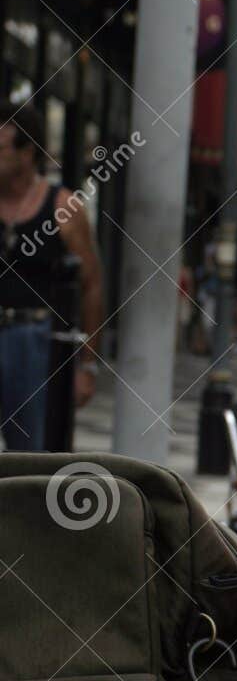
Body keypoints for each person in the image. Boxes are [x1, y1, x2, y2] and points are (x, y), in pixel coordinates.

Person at [0, 100, 103, 450]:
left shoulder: (62, 208)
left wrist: (87, 366)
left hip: (35, 340)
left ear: (27, 152)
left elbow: (92, 285)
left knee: (31, 454)